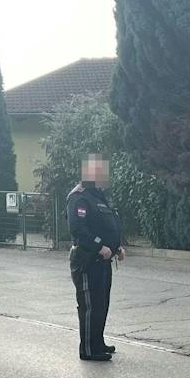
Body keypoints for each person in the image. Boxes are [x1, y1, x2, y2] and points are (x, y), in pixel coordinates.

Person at [66, 154, 124, 362]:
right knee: (90, 306)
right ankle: (89, 349)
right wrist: (100, 246)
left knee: (101, 303)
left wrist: (117, 247)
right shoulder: (79, 197)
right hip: (87, 260)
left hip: (103, 261)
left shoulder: (97, 196)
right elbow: (79, 229)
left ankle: (97, 342)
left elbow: (107, 224)